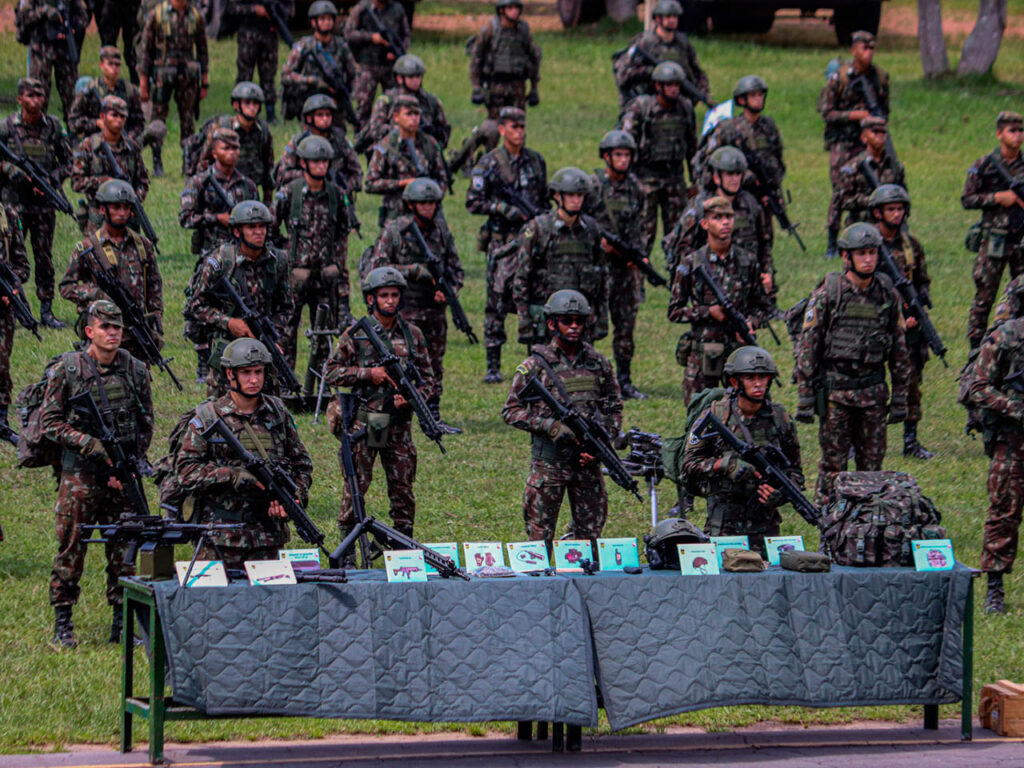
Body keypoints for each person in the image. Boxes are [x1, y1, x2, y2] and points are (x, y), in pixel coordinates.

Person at [40, 300, 153, 648]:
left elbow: (145, 422)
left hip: (120, 475)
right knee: (71, 547)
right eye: (105, 327)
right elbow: (49, 423)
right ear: (89, 331)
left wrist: (128, 463)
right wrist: (88, 444)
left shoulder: (134, 370)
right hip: (80, 477)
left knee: (124, 549)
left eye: (117, 327)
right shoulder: (68, 369)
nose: (113, 333)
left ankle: (121, 621)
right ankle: (63, 622)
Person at [794, 222, 911, 505]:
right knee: (833, 467)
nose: (868, 259)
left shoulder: (887, 294)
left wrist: (900, 399)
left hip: (873, 394)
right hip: (836, 395)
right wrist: (806, 397)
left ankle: (866, 525)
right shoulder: (828, 294)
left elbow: (899, 350)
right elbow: (809, 346)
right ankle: (827, 522)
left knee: (872, 468)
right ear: (847, 257)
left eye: (872, 253)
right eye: (862, 254)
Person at [174, 338, 313, 570]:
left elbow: (302, 465)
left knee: (271, 603)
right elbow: (186, 473)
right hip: (220, 537)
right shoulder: (209, 417)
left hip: (267, 537)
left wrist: (293, 497)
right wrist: (231, 475)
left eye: (258, 372)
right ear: (230, 374)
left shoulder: (278, 413)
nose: (254, 379)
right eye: (246, 372)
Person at [323, 267, 436, 551]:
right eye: (383, 295)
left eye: (394, 295)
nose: (389, 300)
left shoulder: (413, 335)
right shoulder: (356, 334)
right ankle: (347, 550)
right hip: (370, 421)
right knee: (356, 487)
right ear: (371, 299)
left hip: (399, 424)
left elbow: (430, 381)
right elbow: (331, 373)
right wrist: (367, 374)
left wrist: (410, 398)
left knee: (403, 490)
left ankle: (401, 546)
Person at [502, 289, 622, 547]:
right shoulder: (535, 366)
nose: (575, 326)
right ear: (552, 323)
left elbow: (614, 408)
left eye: (580, 321)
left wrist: (599, 445)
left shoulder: (599, 363)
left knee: (589, 538)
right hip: (550, 465)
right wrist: (549, 426)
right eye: (567, 320)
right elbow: (511, 410)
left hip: (587, 464)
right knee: (539, 538)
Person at [682, 347, 804, 558]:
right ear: (735, 382)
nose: (758, 383)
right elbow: (689, 466)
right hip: (724, 525)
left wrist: (780, 494)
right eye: (750, 378)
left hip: (766, 528)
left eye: (763, 377)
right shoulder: (716, 415)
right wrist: (724, 465)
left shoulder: (780, 418)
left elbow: (796, 473)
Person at [368, 178, 463, 429]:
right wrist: (411, 270)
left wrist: (450, 291)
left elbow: (456, 269)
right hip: (402, 308)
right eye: (423, 202)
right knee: (397, 360)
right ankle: (389, 408)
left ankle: (432, 412)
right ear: (411, 204)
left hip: (433, 309)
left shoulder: (441, 231)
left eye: (432, 202)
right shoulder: (395, 230)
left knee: (434, 361)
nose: (428, 207)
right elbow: (377, 267)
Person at [465, 106, 546, 383]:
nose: (519, 133)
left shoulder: (536, 161)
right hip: (502, 244)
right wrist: (501, 208)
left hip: (531, 242)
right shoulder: (488, 164)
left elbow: (544, 202)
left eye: (522, 127)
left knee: (533, 299)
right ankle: (493, 365)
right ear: (501, 129)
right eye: (514, 127)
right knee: (497, 300)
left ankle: (535, 357)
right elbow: (472, 201)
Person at [667, 196, 771, 405]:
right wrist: (708, 312)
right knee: (699, 421)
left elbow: (763, 308)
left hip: (740, 358)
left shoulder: (747, 261)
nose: (725, 222)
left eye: (728, 217)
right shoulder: (692, 263)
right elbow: (674, 311)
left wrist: (752, 323)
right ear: (705, 224)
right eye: (718, 218)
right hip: (703, 358)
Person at [184, 201, 295, 397]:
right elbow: (195, 305)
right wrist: (229, 323)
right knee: (220, 410)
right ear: (237, 232)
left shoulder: (278, 261)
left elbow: (286, 308)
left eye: (262, 226)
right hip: (226, 347)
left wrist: (274, 337)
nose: (258, 232)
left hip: (262, 347)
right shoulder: (221, 261)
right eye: (251, 227)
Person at [272, 135, 353, 369]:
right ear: (304, 163)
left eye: (324, 162)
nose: (321, 166)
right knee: (287, 332)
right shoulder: (290, 192)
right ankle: (286, 384)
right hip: (294, 277)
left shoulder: (336, 195)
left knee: (324, 334)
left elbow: (342, 232)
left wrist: (336, 264)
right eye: (315, 162)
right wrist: (287, 257)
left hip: (324, 278)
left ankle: (321, 382)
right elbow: (270, 227)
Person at [60, 180, 163, 362]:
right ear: (102, 210)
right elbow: (66, 287)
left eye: (126, 208)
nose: (122, 213)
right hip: (102, 332)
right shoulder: (88, 247)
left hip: (135, 331)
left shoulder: (143, 246)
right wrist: (96, 293)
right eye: (116, 207)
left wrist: (155, 318)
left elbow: (154, 285)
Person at [0, 77, 74, 329]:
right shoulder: (7, 128)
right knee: (11, 258)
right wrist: (13, 172)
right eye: (31, 95)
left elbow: (68, 161)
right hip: (14, 206)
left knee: (44, 257)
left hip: (43, 205)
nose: (36, 100)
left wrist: (51, 179)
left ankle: (46, 310)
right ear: (20, 98)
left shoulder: (53, 126)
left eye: (40, 95)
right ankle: (12, 305)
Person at [867, 183, 933, 460]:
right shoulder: (867, 246)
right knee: (867, 382)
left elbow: (922, 282)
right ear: (878, 212)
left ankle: (910, 439)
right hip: (875, 324)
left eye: (899, 209)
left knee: (912, 380)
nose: (896, 214)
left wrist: (916, 310)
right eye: (890, 209)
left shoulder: (911, 246)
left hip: (909, 326)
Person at [513, 166, 609, 349]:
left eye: (580, 196)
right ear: (558, 196)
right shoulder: (538, 229)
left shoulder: (592, 230)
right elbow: (522, 277)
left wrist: (602, 318)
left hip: (581, 319)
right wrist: (524, 320)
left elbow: (603, 276)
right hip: (545, 318)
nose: (576, 200)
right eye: (571, 195)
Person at [664, 146, 774, 303]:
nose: (734, 179)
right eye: (729, 174)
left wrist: (766, 273)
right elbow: (681, 247)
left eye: (738, 174)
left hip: (744, 284)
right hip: (710, 286)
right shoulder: (700, 206)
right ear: (716, 177)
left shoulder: (750, 204)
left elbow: (764, 242)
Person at [585, 129, 648, 399]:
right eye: (618, 154)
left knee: (626, 325)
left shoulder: (636, 188)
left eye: (627, 155)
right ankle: (589, 378)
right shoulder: (593, 186)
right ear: (607, 156)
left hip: (625, 268)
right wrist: (597, 244)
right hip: (598, 267)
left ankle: (624, 379)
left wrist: (640, 256)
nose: (623, 160)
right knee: (591, 325)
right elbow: (580, 221)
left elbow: (643, 226)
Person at [969, 313, 1024, 614]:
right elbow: (978, 387)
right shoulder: (1007, 337)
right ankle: (995, 589)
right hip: (1013, 440)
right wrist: (1014, 408)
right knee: (1004, 510)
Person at [818, 30, 889, 253]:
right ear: (853, 50)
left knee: (874, 185)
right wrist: (853, 116)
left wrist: (875, 124)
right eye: (864, 48)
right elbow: (827, 113)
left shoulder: (879, 77)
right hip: (844, 142)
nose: (868, 53)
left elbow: (885, 111)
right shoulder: (839, 78)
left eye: (872, 48)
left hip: (867, 142)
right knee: (841, 189)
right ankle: (832, 239)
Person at [962, 110, 1024, 350]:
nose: (1017, 136)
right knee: (984, 298)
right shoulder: (985, 165)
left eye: (1020, 131)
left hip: (1020, 241)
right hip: (994, 242)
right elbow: (967, 199)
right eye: (1012, 131)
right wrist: (998, 197)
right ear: (999, 134)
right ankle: (975, 349)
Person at [619, 61, 697, 249]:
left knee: (680, 234)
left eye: (677, 85)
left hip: (674, 177)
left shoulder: (685, 108)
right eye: (669, 85)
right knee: (643, 232)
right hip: (646, 177)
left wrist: (695, 180)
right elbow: (625, 142)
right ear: (658, 86)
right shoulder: (641, 108)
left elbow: (692, 147)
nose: (673, 89)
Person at [136, 0, 209, 162]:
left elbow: (203, 50)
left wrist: (204, 81)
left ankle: (188, 159)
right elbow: (146, 50)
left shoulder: (195, 16)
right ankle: (157, 160)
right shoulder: (157, 15)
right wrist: (143, 82)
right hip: (163, 74)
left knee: (188, 119)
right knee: (158, 117)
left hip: (187, 76)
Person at [70, 96, 150, 235]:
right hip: (98, 217)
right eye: (114, 115)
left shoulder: (132, 147)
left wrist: (132, 202)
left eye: (123, 117)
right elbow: (76, 182)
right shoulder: (89, 145)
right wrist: (104, 182)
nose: (119, 120)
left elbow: (143, 181)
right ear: (102, 116)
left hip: (127, 216)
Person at [365, 95, 448, 225]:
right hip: (396, 216)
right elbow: (370, 183)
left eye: (416, 114)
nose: (414, 118)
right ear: (396, 117)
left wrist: (430, 200)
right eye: (409, 114)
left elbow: (442, 179)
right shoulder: (386, 146)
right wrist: (401, 183)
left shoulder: (429, 144)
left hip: (428, 218)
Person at [188, 82, 275, 204]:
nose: (252, 107)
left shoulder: (263, 131)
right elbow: (204, 162)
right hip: (220, 191)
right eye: (247, 103)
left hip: (249, 191)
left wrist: (267, 202)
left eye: (256, 103)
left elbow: (268, 168)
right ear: (236, 105)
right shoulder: (222, 126)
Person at [699, 75, 783, 200]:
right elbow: (709, 161)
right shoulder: (728, 129)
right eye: (753, 95)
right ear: (742, 100)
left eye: (760, 95)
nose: (758, 99)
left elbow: (777, 159)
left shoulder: (768, 127)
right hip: (737, 195)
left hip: (766, 194)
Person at [179, 128, 259, 258]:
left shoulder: (248, 185)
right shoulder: (199, 182)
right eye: (226, 149)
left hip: (242, 256)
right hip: (210, 255)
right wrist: (217, 218)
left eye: (235, 148)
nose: (232, 153)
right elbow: (185, 218)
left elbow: (258, 220)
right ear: (214, 153)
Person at [613, 0, 709, 107]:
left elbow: (696, 71)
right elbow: (624, 75)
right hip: (647, 100)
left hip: (677, 101)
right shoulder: (644, 43)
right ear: (658, 19)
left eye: (675, 17)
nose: (672, 20)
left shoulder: (683, 43)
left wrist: (704, 92)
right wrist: (653, 72)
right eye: (668, 17)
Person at [827, 116, 905, 247]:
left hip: (889, 227)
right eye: (875, 132)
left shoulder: (895, 166)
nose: (880, 137)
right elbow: (843, 202)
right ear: (864, 137)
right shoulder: (853, 167)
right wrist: (872, 200)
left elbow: (903, 197)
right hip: (861, 227)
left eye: (883, 133)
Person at [353, 54, 451, 155]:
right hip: (392, 153)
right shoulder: (387, 101)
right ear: (400, 78)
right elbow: (376, 130)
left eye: (418, 76)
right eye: (411, 77)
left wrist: (428, 138)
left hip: (424, 154)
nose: (416, 81)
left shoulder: (431, 101)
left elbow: (443, 131)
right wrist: (403, 131)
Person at [280, 0, 358, 126]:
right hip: (310, 103)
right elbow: (286, 76)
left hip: (334, 104)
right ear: (313, 22)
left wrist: (347, 94)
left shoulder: (341, 46)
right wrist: (311, 80)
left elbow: (355, 74)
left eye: (329, 19)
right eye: (322, 19)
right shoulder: (304, 45)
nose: (326, 22)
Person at [14, 0, 88, 126]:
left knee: (72, 97)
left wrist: (71, 25)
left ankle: (74, 134)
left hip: (64, 50)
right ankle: (35, 133)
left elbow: (83, 17)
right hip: (41, 50)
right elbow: (23, 18)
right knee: (37, 95)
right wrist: (44, 12)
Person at [272, 94, 363, 192]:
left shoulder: (341, 140)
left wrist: (343, 188)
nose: (325, 119)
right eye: (320, 115)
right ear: (309, 118)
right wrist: (310, 175)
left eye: (328, 115)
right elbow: (282, 175)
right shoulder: (298, 142)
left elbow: (357, 173)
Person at [469, 0, 542, 119]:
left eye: (517, 8)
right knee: (495, 125)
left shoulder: (523, 30)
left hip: (517, 85)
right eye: (510, 8)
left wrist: (534, 88)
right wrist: (476, 87)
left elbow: (533, 58)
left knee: (517, 124)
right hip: (496, 85)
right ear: (502, 10)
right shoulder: (492, 28)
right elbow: (477, 56)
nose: (514, 11)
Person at [344, 0, 412, 124]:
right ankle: (361, 136)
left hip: (391, 67)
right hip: (367, 65)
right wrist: (371, 37)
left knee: (396, 103)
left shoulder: (397, 9)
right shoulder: (362, 8)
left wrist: (397, 51)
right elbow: (348, 33)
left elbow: (406, 35)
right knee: (363, 105)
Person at [227, 0, 293, 125]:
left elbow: (289, 9)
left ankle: (270, 113)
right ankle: (241, 111)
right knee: (245, 75)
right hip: (248, 34)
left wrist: (279, 15)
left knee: (269, 75)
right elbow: (232, 8)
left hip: (270, 35)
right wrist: (254, 9)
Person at [68, 47, 146, 145]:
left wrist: (129, 137)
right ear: (101, 65)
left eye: (117, 64)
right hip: (95, 145)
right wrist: (96, 123)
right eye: (110, 64)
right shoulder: (90, 90)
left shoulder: (130, 90)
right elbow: (73, 122)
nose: (114, 68)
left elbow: (139, 122)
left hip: (122, 145)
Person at [0, 204, 31, 438]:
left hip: (3, 307)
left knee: (2, 361)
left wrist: (11, 285)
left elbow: (22, 265)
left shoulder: (8, 215)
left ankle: (1, 419)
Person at [94, 0, 142, 85]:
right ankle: (108, 82)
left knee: (132, 45)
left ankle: (136, 80)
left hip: (131, 5)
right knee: (109, 47)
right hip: (110, 6)